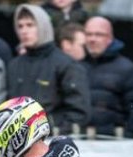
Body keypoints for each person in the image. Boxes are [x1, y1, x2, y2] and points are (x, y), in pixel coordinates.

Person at [7, 3, 90, 135]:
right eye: (20, 26)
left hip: (53, 140)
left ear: (43, 26)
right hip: (19, 141)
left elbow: (79, 113)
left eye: (30, 25)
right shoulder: (14, 65)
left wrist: (47, 131)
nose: (24, 31)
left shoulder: (66, 64)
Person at [82, 16, 133, 136]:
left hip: (115, 140)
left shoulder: (128, 70)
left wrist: (128, 135)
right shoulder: (76, 67)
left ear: (110, 38)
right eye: (89, 34)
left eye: (99, 34)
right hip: (80, 138)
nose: (92, 39)